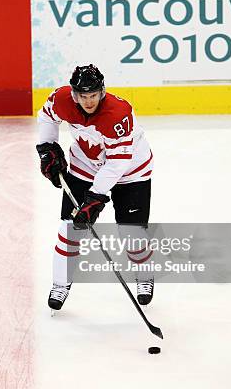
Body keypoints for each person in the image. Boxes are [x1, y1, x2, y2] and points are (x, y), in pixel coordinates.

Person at [36, 64, 154, 312]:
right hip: (85, 167)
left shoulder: (118, 113)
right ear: (74, 94)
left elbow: (117, 163)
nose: (88, 102)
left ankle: (144, 276)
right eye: (82, 96)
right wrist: (47, 148)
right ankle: (60, 283)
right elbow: (46, 116)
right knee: (69, 229)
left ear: (102, 92)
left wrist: (95, 198)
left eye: (93, 95)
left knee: (131, 233)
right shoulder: (61, 100)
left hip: (131, 172)